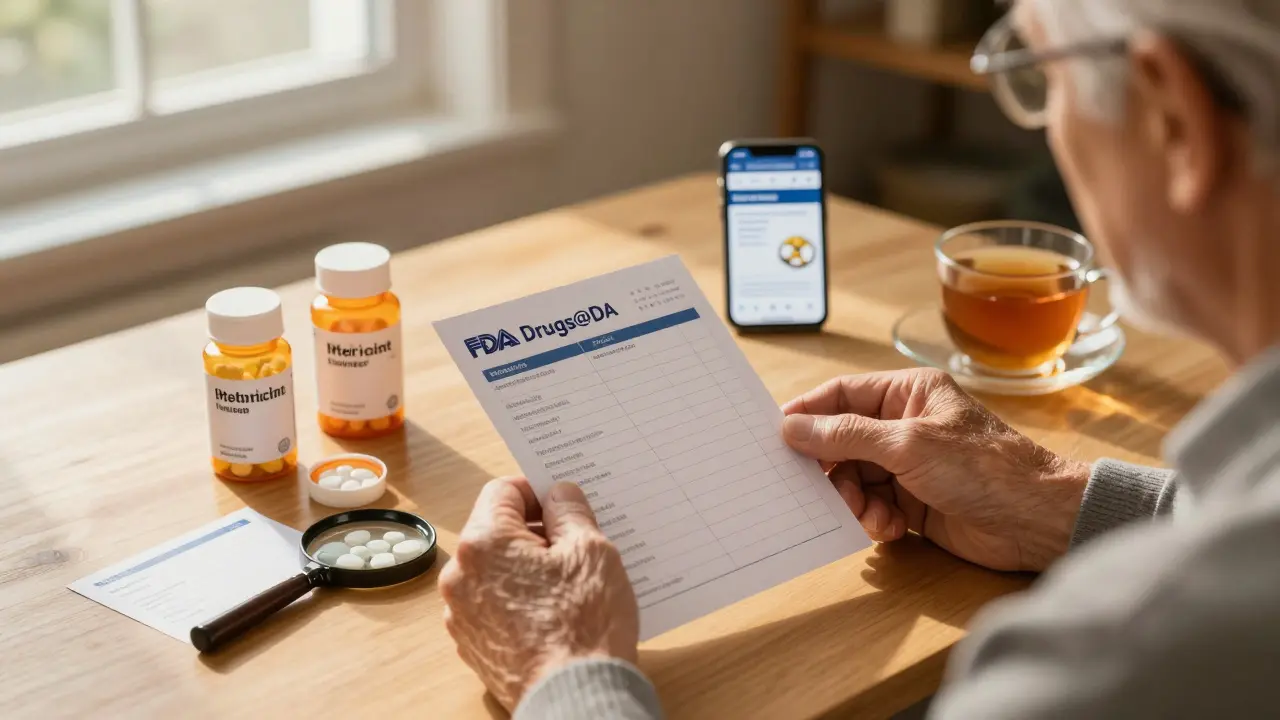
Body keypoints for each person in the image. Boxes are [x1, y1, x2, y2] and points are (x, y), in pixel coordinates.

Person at [439, 0, 1280, 716]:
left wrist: (564, 672)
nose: (1052, 129)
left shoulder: (1109, 660)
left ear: (1175, 120)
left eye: (1044, 81)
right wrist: (1056, 502)